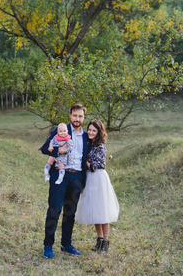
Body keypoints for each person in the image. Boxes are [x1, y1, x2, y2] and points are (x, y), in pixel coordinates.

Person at [40, 104, 89, 258]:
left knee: (70, 212)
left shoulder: (86, 136)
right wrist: (58, 151)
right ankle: (48, 245)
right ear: (70, 116)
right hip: (59, 175)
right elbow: (43, 148)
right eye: (75, 115)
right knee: (54, 209)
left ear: (83, 118)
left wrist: (83, 181)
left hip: (76, 177)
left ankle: (66, 244)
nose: (77, 119)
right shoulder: (61, 130)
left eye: (80, 116)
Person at [76, 119, 119, 253]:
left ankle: (106, 241)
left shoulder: (100, 147)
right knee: (94, 209)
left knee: (102, 209)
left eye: (94, 130)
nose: (91, 132)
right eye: (89, 129)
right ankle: (99, 239)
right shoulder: (89, 144)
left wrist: (85, 162)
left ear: (99, 132)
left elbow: (95, 167)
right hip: (90, 179)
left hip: (99, 178)